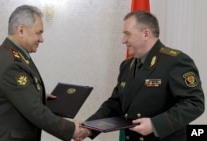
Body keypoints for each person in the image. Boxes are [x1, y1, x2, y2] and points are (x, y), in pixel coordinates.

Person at [81, 10, 205, 141]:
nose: (123, 40)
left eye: (127, 34)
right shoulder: (126, 66)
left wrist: (155, 125)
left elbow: (194, 103)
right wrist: (88, 127)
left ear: (146, 34)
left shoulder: (175, 61)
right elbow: (115, 103)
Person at [0, 5, 86, 141]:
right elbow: (35, 111)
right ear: (21, 30)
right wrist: (71, 129)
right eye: (38, 33)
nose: (41, 39)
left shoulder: (15, 56)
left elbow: (18, 96)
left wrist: (36, 95)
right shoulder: (12, 64)